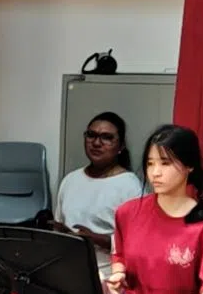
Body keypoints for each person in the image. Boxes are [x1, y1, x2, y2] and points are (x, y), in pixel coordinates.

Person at [107, 123, 203, 294]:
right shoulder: (128, 213)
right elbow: (120, 255)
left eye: (165, 163)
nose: (155, 173)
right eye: (150, 164)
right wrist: (118, 274)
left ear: (189, 166)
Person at [56, 111, 146, 275]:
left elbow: (141, 244)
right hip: (68, 270)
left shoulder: (130, 186)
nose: (97, 143)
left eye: (107, 137)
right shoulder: (70, 179)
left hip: (109, 276)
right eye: (91, 135)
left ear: (121, 146)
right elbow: (60, 226)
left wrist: (97, 240)